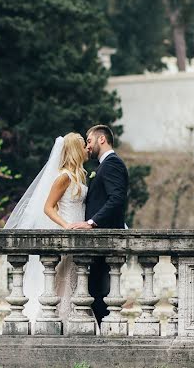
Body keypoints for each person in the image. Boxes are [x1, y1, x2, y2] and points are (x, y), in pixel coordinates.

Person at [4, 133, 88, 324]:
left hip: (79, 233)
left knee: (72, 278)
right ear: (75, 149)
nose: (86, 150)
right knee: (60, 279)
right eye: (83, 146)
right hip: (67, 231)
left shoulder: (78, 176)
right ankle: (56, 319)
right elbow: (48, 207)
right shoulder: (63, 177)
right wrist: (66, 225)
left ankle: (69, 319)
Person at [67, 124, 129, 325]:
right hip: (100, 241)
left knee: (98, 292)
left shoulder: (112, 164)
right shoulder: (104, 165)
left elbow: (117, 198)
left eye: (90, 141)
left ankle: (105, 337)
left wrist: (92, 223)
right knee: (95, 292)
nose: (87, 146)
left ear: (102, 139)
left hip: (106, 241)